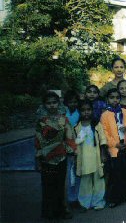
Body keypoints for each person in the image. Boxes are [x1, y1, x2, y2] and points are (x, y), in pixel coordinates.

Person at [35, 92, 76, 220]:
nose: (52, 105)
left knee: (60, 184)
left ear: (58, 103)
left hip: (61, 156)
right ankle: (48, 212)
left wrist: (72, 152)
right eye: (49, 103)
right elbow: (37, 140)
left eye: (54, 102)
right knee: (47, 185)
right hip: (46, 158)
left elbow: (70, 137)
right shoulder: (41, 121)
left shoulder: (64, 119)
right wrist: (38, 158)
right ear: (44, 105)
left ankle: (62, 210)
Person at [100, 88, 126, 208]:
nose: (115, 100)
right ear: (107, 99)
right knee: (115, 173)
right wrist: (115, 144)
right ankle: (114, 198)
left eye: (117, 97)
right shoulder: (105, 115)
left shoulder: (125, 112)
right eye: (112, 97)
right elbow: (105, 133)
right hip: (115, 147)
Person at [74, 100, 107, 211]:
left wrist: (103, 154)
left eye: (88, 110)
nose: (86, 112)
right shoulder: (77, 127)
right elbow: (75, 144)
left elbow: (102, 140)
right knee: (85, 181)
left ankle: (98, 202)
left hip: (96, 157)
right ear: (79, 112)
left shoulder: (97, 125)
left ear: (92, 111)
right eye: (83, 110)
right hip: (83, 159)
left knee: (98, 180)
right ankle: (84, 203)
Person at [63, 90, 81, 209]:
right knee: (69, 174)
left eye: (75, 102)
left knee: (78, 172)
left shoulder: (80, 113)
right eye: (70, 102)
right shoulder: (63, 113)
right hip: (66, 146)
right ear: (66, 103)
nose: (73, 104)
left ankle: (78, 197)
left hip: (79, 144)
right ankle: (70, 198)